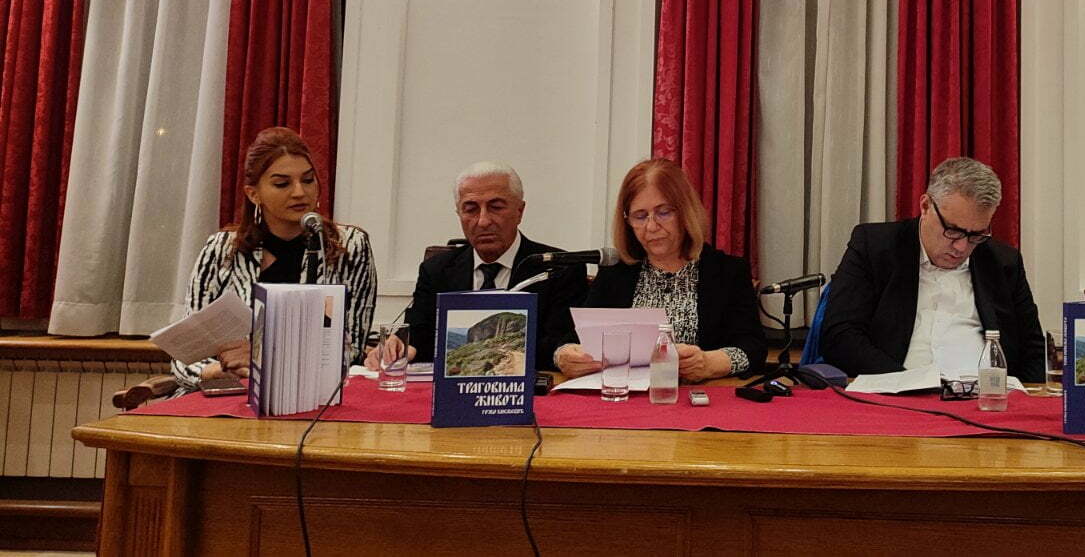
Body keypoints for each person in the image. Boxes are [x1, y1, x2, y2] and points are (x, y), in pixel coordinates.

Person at [172, 127, 376, 393]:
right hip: (229, 392)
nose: (300, 192)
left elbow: (351, 348)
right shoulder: (221, 249)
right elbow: (185, 353)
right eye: (282, 184)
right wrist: (214, 371)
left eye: (308, 180)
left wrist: (263, 357)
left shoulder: (349, 246)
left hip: (312, 393)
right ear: (253, 194)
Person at [819, 157, 1047, 382]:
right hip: (895, 393)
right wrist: (907, 383)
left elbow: (1032, 350)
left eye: (976, 235)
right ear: (926, 206)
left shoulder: (1004, 262)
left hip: (984, 397)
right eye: (953, 230)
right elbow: (840, 336)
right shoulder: (875, 246)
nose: (961, 247)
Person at [552, 159, 764, 382]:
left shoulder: (727, 272)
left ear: (685, 212)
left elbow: (753, 348)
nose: (651, 227)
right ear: (627, 221)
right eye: (640, 216)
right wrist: (564, 355)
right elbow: (573, 340)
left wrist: (709, 363)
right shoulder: (615, 272)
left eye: (663, 213)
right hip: (624, 396)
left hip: (699, 396)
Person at [374, 161, 585, 371]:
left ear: (520, 211)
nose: (483, 221)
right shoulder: (436, 270)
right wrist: (399, 346)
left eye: (496, 207)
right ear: (459, 214)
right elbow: (418, 333)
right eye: (471, 209)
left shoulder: (558, 270)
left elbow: (562, 345)